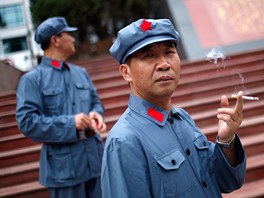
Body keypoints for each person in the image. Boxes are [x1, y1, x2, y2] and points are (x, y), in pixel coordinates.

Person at [101, 19, 246, 198]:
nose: (164, 64)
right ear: (126, 72)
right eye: (148, 55)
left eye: (169, 52)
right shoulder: (125, 141)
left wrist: (226, 140)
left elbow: (226, 182)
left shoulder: (181, 118)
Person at [16, 17, 106, 198]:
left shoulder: (80, 73)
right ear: (55, 40)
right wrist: (70, 123)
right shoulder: (32, 80)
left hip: (95, 158)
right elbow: (27, 122)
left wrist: (96, 113)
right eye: (68, 34)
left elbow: (95, 102)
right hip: (64, 170)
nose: (73, 39)